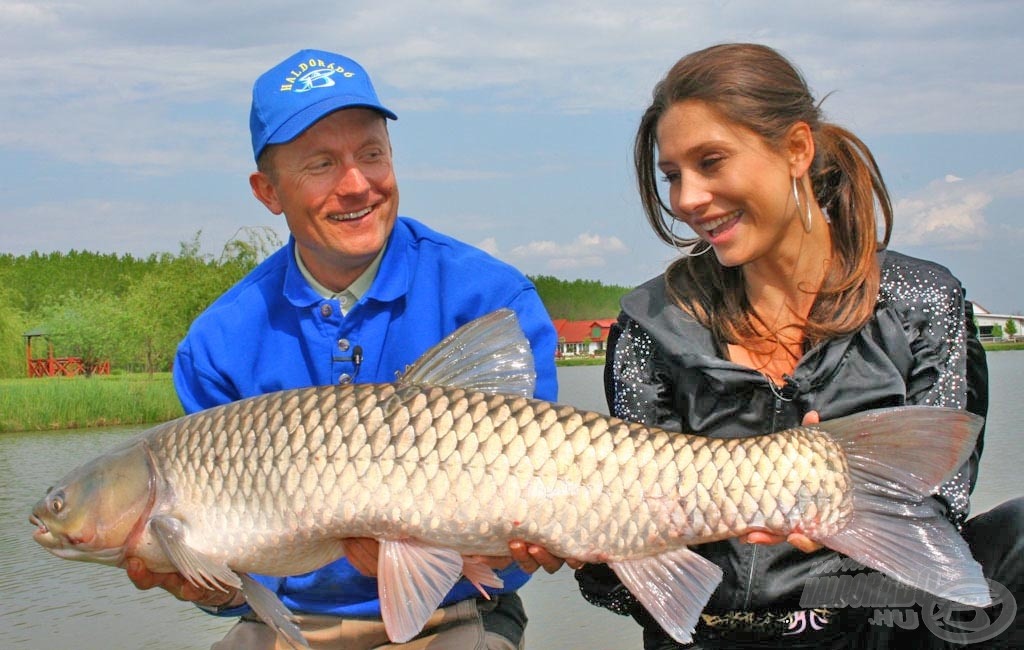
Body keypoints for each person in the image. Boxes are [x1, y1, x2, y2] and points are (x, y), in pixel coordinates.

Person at [575, 43, 1023, 648]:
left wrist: (841, 523)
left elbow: (939, 509)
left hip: (878, 622)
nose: (685, 199)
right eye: (673, 176)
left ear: (796, 149)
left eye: (711, 162)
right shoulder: (649, 325)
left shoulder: (923, 302)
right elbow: (638, 576)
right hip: (718, 631)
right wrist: (585, 550)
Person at [125, 48, 559, 649]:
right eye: (322, 164)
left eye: (372, 154)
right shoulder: (218, 343)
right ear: (268, 191)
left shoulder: (489, 299)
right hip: (284, 623)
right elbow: (232, 588)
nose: (357, 185)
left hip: (457, 612)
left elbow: (522, 546)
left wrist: (516, 549)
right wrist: (208, 585)